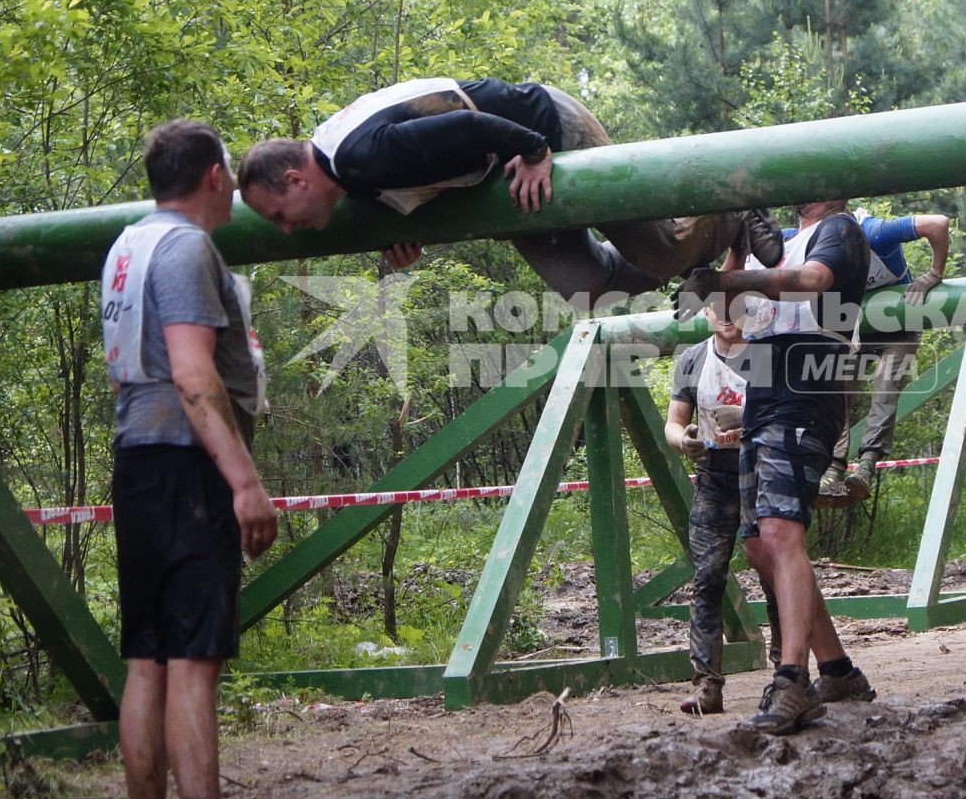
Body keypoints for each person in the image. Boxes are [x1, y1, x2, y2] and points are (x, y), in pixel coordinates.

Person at [101, 118, 278, 799]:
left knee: (147, 655)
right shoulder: (186, 248)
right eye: (231, 174)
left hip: (137, 459)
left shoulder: (127, 245)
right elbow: (194, 373)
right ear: (213, 175)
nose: (235, 186)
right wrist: (244, 482)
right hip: (188, 463)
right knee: (194, 660)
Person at [236, 77, 781, 300]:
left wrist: (538, 151)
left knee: (659, 252)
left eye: (281, 213)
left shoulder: (356, 156)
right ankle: (697, 259)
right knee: (587, 287)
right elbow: (421, 177)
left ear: (294, 178)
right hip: (500, 178)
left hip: (546, 130)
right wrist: (402, 237)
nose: (287, 229)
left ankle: (731, 212)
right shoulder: (343, 170)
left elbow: (466, 125)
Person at [674, 196, 877, 734]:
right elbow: (728, 304)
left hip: (810, 380)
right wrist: (736, 250)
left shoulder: (838, 229)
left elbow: (811, 281)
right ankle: (837, 670)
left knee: (781, 530)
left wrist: (735, 282)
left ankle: (792, 679)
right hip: (764, 385)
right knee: (759, 542)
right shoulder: (777, 243)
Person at [663, 304, 780, 714]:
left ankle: (787, 675)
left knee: (773, 571)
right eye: (718, 308)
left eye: (737, 308)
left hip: (764, 475)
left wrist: (748, 419)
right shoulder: (693, 359)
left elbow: (790, 414)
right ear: (706, 312)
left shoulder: (768, 352)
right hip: (714, 478)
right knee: (707, 576)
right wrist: (684, 441)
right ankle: (706, 685)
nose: (727, 317)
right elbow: (674, 422)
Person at [805, 207, 952, 506]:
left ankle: (868, 464)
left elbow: (938, 223)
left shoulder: (875, 233)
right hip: (857, 325)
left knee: (886, 384)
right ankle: (833, 467)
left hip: (899, 325)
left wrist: (934, 274)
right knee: (836, 387)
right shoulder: (814, 241)